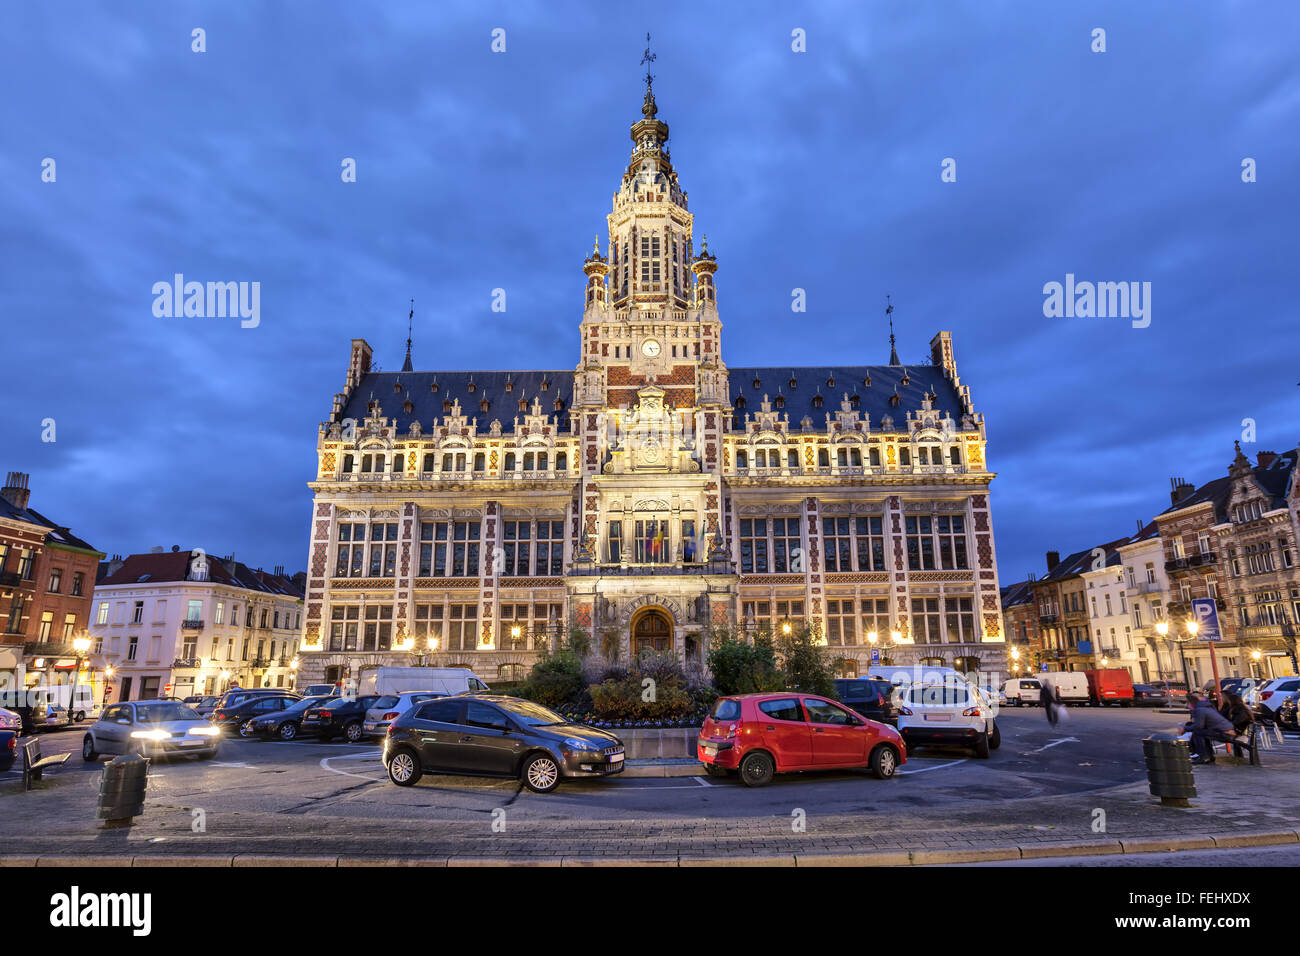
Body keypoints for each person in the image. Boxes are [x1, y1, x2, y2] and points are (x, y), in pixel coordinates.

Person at [1184, 692, 1236, 764]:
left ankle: (1204, 756)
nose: (1188, 705)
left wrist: (1185, 728)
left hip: (1226, 733)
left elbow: (1199, 726)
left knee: (1198, 732)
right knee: (1201, 732)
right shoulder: (1206, 705)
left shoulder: (1201, 708)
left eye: (1188, 702)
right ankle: (1207, 755)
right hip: (1225, 731)